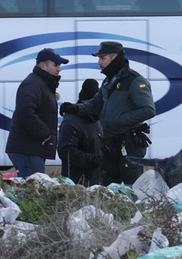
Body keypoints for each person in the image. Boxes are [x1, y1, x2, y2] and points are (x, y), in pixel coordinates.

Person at [61, 41, 157, 185]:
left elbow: (148, 110)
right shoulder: (108, 81)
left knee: (131, 187)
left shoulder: (135, 81)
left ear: (115, 58)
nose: (99, 62)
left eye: (102, 58)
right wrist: (74, 108)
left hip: (129, 143)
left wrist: (119, 121)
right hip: (110, 142)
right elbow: (95, 104)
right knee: (110, 187)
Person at [6, 48, 66, 178]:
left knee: (32, 191)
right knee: (32, 192)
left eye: (59, 65)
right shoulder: (33, 84)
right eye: (55, 65)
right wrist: (46, 134)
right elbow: (25, 113)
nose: (59, 69)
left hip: (32, 148)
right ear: (43, 65)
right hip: (27, 150)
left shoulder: (42, 83)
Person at [58, 79, 103, 185]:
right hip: (76, 184)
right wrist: (96, 161)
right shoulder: (71, 121)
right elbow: (66, 152)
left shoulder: (96, 120)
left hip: (94, 181)